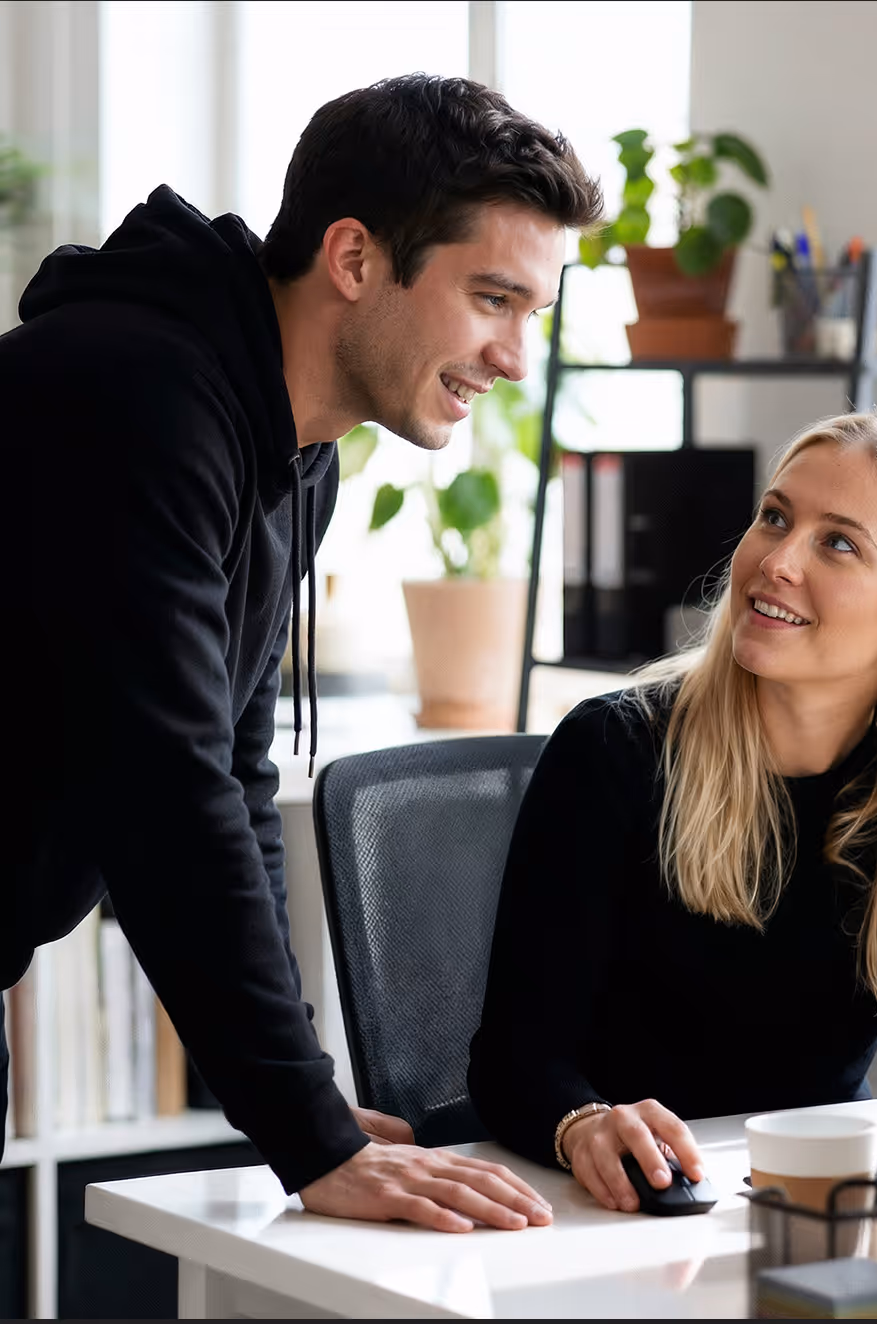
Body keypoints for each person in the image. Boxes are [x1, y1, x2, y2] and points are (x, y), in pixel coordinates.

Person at [0, 73, 602, 1233]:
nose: (515, 355)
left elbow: (228, 769)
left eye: (531, 311)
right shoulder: (135, 397)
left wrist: (300, 1105)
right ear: (354, 257)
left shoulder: (293, 444)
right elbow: (163, 789)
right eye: (491, 297)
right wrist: (307, 1134)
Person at [468, 410, 877, 1215]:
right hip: (618, 1207)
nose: (777, 561)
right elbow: (514, 1059)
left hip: (813, 1193)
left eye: (839, 542)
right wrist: (583, 1121)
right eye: (776, 518)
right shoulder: (616, 749)